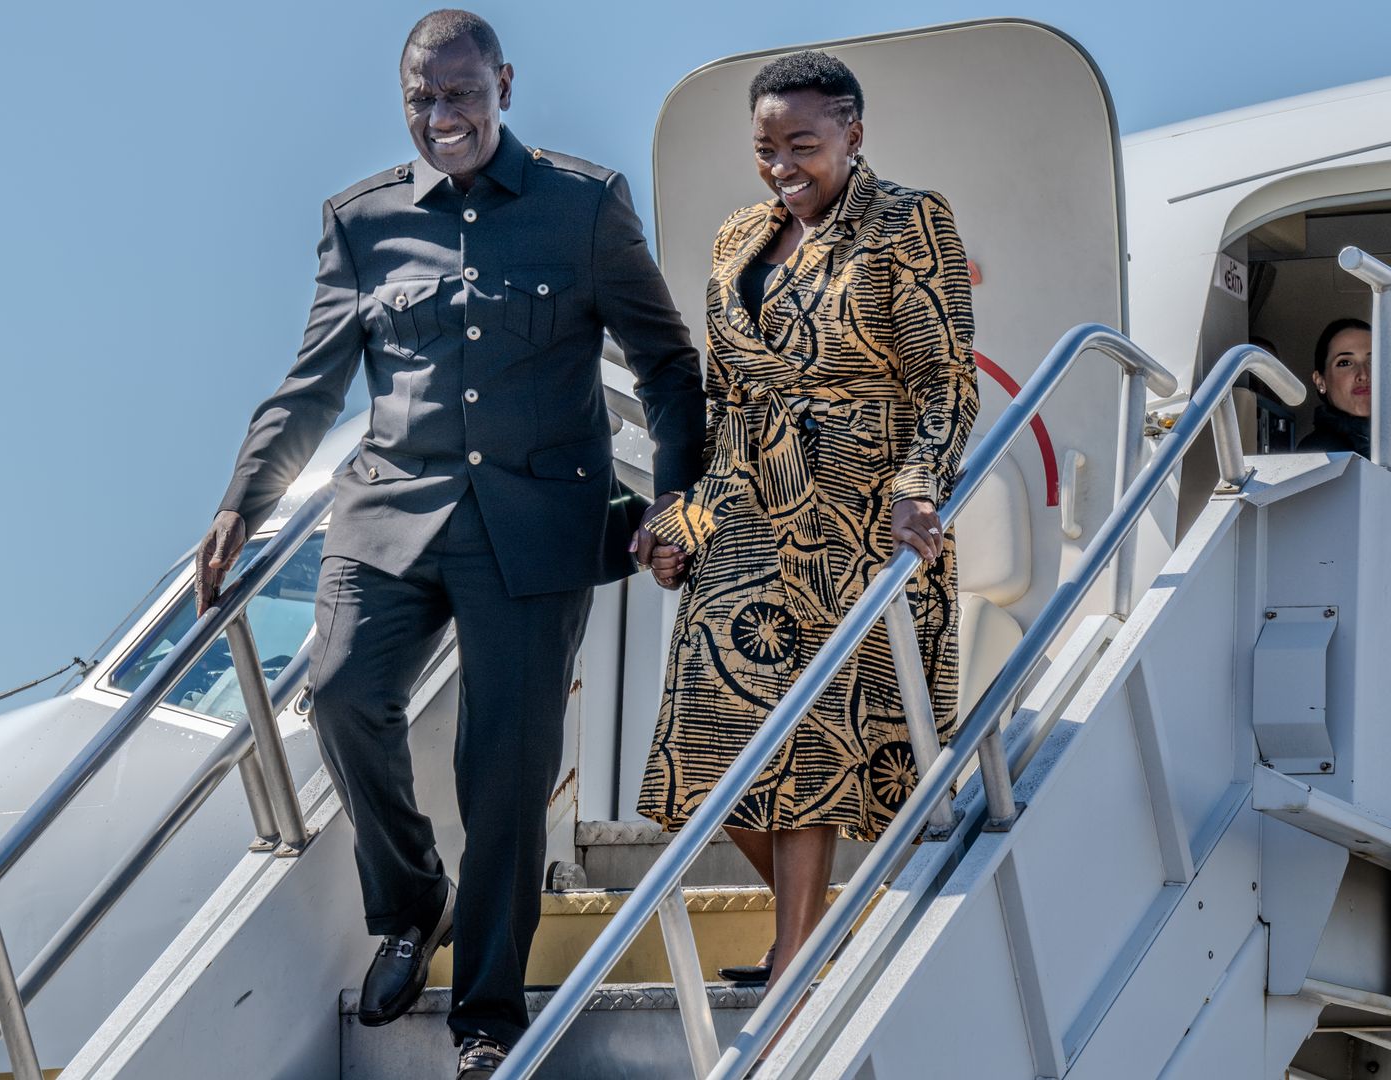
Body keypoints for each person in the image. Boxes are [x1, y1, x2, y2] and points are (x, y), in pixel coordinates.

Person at [194, 10, 706, 1076]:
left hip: (535, 526)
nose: (443, 118)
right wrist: (245, 497)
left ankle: (487, 1016)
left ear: (504, 86)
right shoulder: (362, 221)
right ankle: (409, 903)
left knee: (507, 773)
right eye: (423, 100)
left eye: (462, 95)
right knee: (337, 689)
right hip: (389, 512)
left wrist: (677, 504)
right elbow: (315, 378)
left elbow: (665, 364)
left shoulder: (584, 207)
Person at [637, 50, 978, 997]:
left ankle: (795, 957)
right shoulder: (737, 235)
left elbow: (944, 383)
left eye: (804, 143)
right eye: (766, 146)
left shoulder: (908, 221)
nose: (784, 163)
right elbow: (727, 401)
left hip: (857, 514)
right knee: (708, 748)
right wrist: (688, 522)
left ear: (852, 136)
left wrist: (920, 487)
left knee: (812, 745)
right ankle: (817, 936)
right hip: (748, 509)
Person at [1299, 317, 1372, 455]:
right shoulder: (1320, 451)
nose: (1363, 375)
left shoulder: (1381, 444)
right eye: (1345, 363)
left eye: (1373, 361)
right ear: (1320, 381)